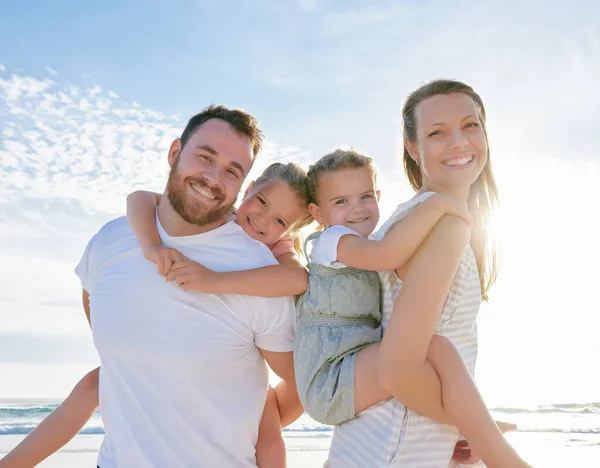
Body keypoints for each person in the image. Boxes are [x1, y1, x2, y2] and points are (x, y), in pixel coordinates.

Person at [0, 160, 312, 468]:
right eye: (261, 201)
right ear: (249, 187)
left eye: (281, 221)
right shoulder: (212, 211)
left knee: (265, 422)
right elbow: (139, 198)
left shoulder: (275, 251)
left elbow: (297, 279)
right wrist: (150, 246)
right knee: (94, 384)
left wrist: (213, 281)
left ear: (290, 232)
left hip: (233, 356)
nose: (262, 219)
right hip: (161, 347)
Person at [324, 80, 532, 467]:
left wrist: (454, 426)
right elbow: (396, 369)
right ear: (412, 147)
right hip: (391, 451)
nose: (458, 142)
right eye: (437, 132)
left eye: (470, 125)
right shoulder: (443, 226)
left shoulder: (417, 217)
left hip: (380, 445)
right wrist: (480, 431)